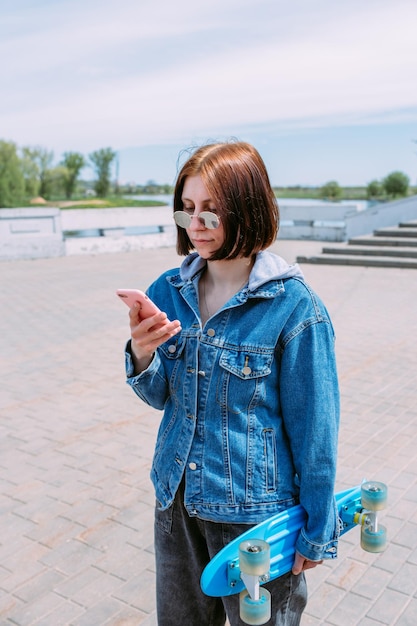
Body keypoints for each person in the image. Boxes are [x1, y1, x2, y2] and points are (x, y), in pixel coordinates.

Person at [124, 141, 340, 625]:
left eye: (210, 212)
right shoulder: (167, 291)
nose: (194, 225)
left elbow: (316, 432)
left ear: (247, 209)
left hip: (256, 520)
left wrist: (317, 531)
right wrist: (141, 351)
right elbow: (162, 396)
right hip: (176, 505)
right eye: (186, 211)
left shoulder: (295, 307)